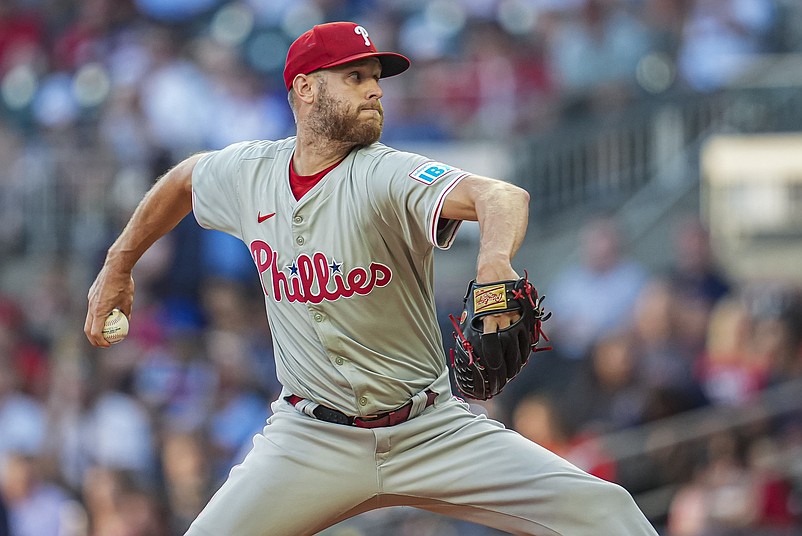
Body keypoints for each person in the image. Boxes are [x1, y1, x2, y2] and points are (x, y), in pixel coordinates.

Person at [85, 21, 658, 536]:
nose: (375, 89)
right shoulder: (251, 172)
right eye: (355, 76)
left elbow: (500, 195)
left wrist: (493, 265)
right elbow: (185, 180)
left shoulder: (388, 174)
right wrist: (118, 264)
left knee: (606, 513)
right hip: (310, 438)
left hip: (430, 429)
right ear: (305, 88)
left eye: (376, 78)